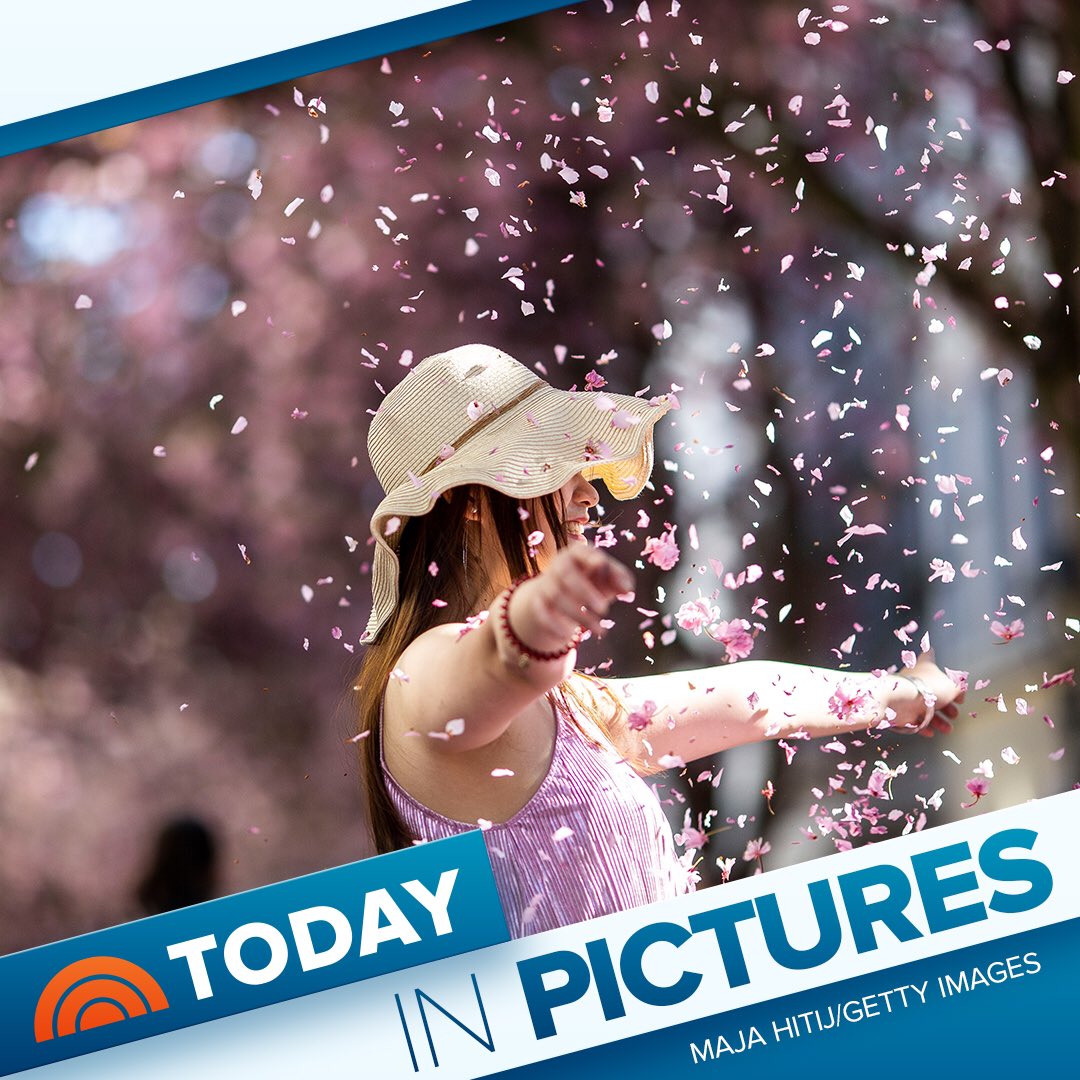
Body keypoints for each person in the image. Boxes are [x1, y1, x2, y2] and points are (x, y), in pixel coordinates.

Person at [352, 343, 963, 937]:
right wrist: (533, 621)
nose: (589, 493)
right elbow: (490, 667)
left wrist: (900, 693)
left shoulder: (573, 710)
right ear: (467, 501)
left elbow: (750, 696)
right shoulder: (423, 670)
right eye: (551, 465)